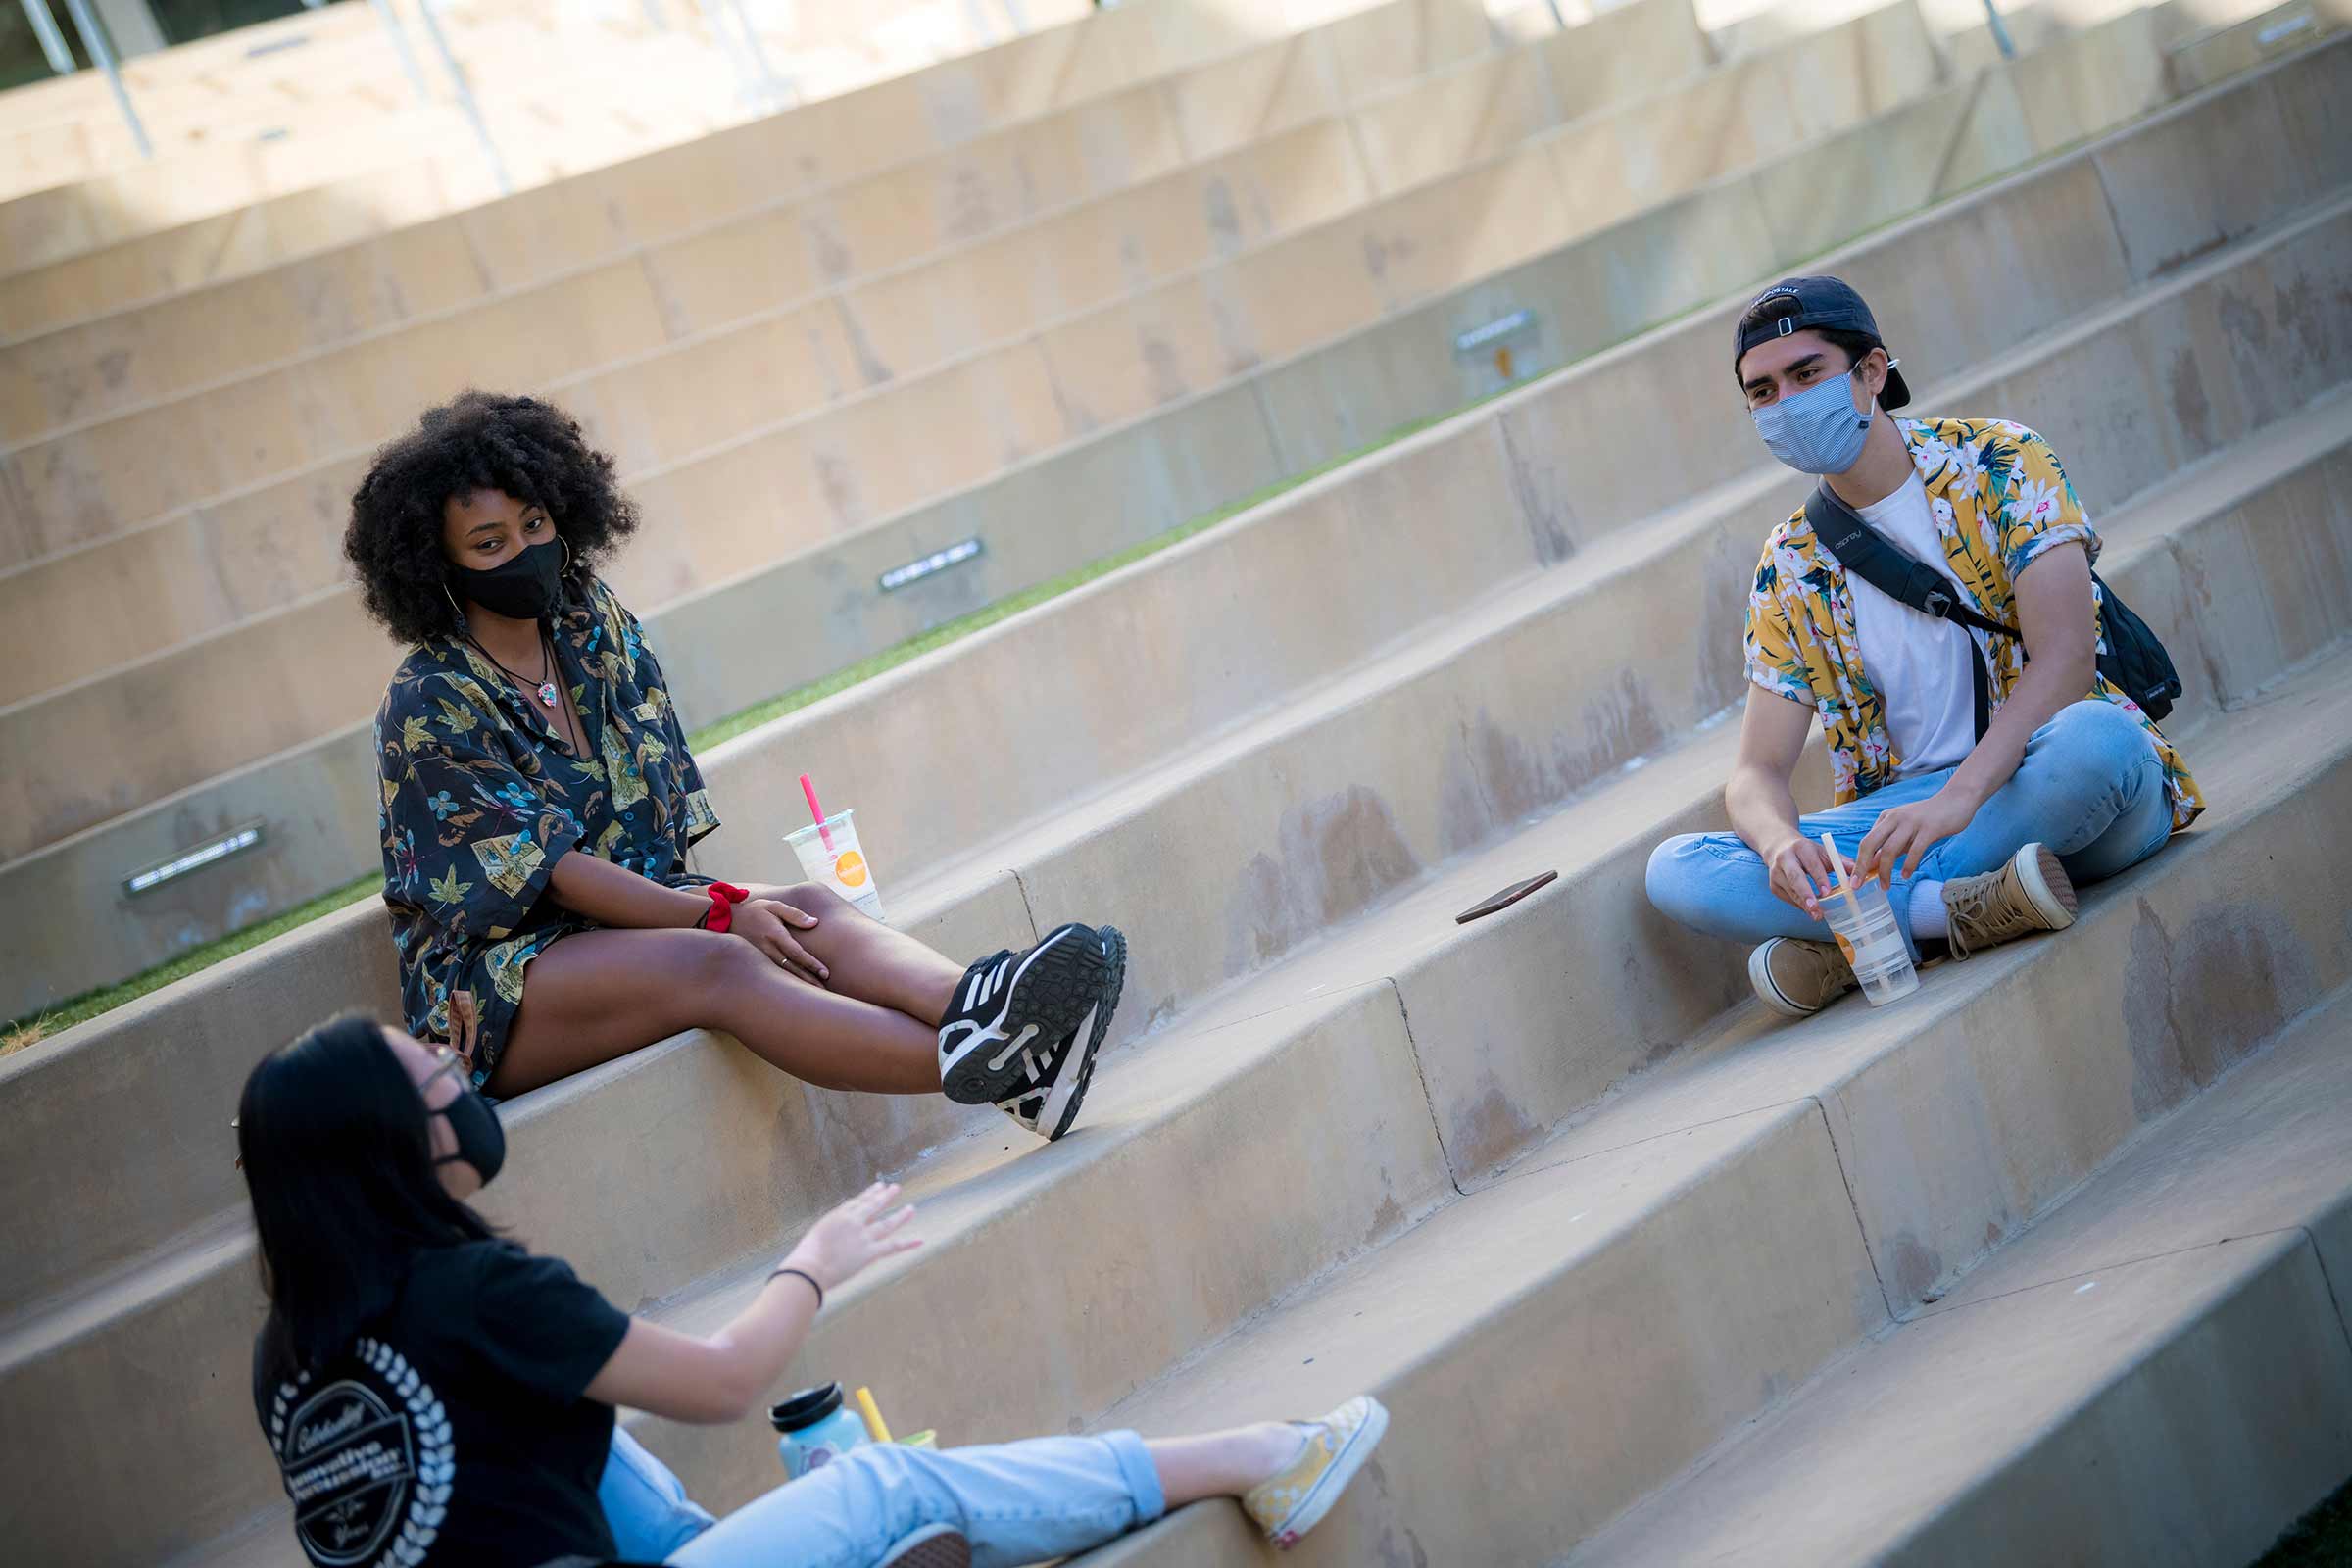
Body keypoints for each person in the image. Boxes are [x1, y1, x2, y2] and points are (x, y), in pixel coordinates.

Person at [240, 1015, 1391, 1567]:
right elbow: (727, 1379)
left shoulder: (289, 1359)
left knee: (582, 1433)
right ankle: (1259, 1458)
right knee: (890, 1478)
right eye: (438, 1074)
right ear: (393, 1141)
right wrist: (815, 1261)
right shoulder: (474, 1289)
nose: (457, 1075)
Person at [345, 391, 1122, 1140]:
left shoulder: (591, 624)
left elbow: (654, 833)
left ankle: (982, 1009)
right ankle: (989, 1063)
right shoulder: (429, 700)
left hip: (628, 917)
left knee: (807, 907)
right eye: (489, 544)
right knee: (720, 961)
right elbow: (558, 872)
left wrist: (716, 903)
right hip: (502, 984)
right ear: (437, 567)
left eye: (534, 523)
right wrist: (716, 911)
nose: (523, 552)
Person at [1645, 277, 2203, 1015]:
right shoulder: (1789, 563)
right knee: (1679, 869)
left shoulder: (2002, 461)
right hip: (1904, 818)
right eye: (1762, 391)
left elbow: (2066, 658)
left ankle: (1870, 931)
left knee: (2101, 741)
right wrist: (1781, 846)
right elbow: (1755, 772)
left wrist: (1957, 799)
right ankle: (1955, 909)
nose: (1785, 402)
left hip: (2047, 780)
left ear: (1871, 372)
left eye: (1806, 373)